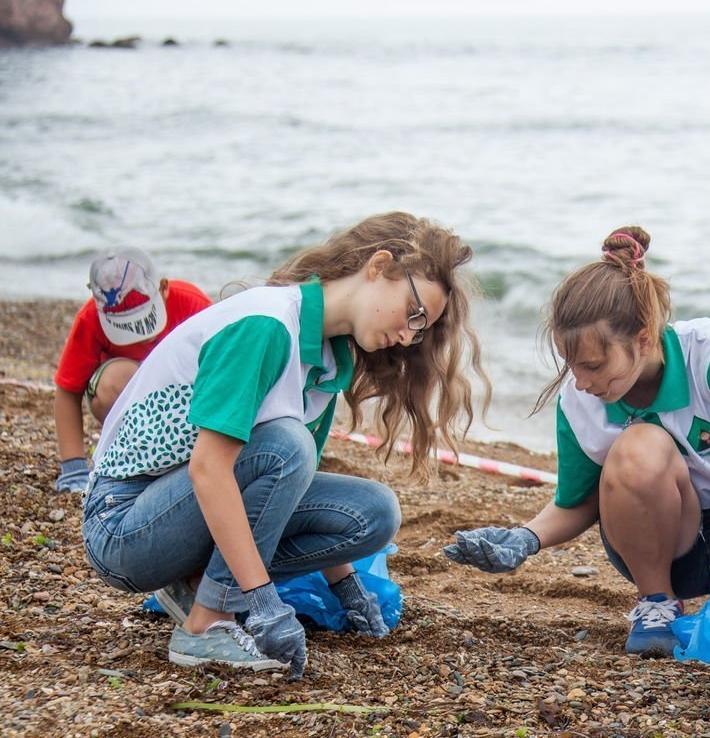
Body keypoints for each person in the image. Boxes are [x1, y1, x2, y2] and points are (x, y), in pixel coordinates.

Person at [83, 212, 489, 678]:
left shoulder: (327, 361)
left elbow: (285, 492)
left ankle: (197, 584)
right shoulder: (267, 323)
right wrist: (262, 601)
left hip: (181, 516)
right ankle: (206, 624)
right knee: (285, 446)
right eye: (415, 314)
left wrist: (347, 584)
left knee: (374, 512)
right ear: (378, 266)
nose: (409, 335)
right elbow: (209, 469)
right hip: (122, 526)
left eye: (422, 330)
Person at [445, 227, 710, 655]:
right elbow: (578, 502)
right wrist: (525, 538)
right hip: (661, 543)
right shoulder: (578, 400)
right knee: (640, 445)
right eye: (572, 365)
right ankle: (657, 605)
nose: (582, 382)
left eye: (593, 365)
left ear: (644, 339)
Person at [54, 246, 212, 493]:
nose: (144, 337)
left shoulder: (193, 304)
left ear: (163, 288)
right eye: (127, 327)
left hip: (185, 401)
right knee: (114, 380)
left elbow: (225, 366)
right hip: (127, 405)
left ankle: (183, 453)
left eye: (147, 318)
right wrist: (73, 468)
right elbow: (67, 390)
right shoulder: (90, 318)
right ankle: (133, 455)